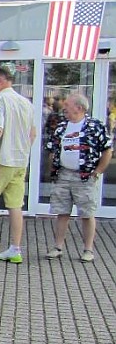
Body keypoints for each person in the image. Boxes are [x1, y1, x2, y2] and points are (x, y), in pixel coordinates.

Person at [44, 92, 112, 263]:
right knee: (62, 212)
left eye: (68, 105)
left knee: (87, 213)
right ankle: (58, 247)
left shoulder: (95, 126)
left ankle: (88, 250)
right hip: (63, 175)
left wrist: (97, 171)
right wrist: (52, 168)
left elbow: (107, 150)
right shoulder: (61, 126)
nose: (64, 107)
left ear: (79, 108)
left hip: (85, 176)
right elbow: (52, 149)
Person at [0, 65, 36, 263]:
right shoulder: (26, 103)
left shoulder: (0, 100)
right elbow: (33, 133)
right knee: (15, 205)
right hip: (21, 160)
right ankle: (15, 248)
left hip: (2, 160)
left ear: (0, 81)